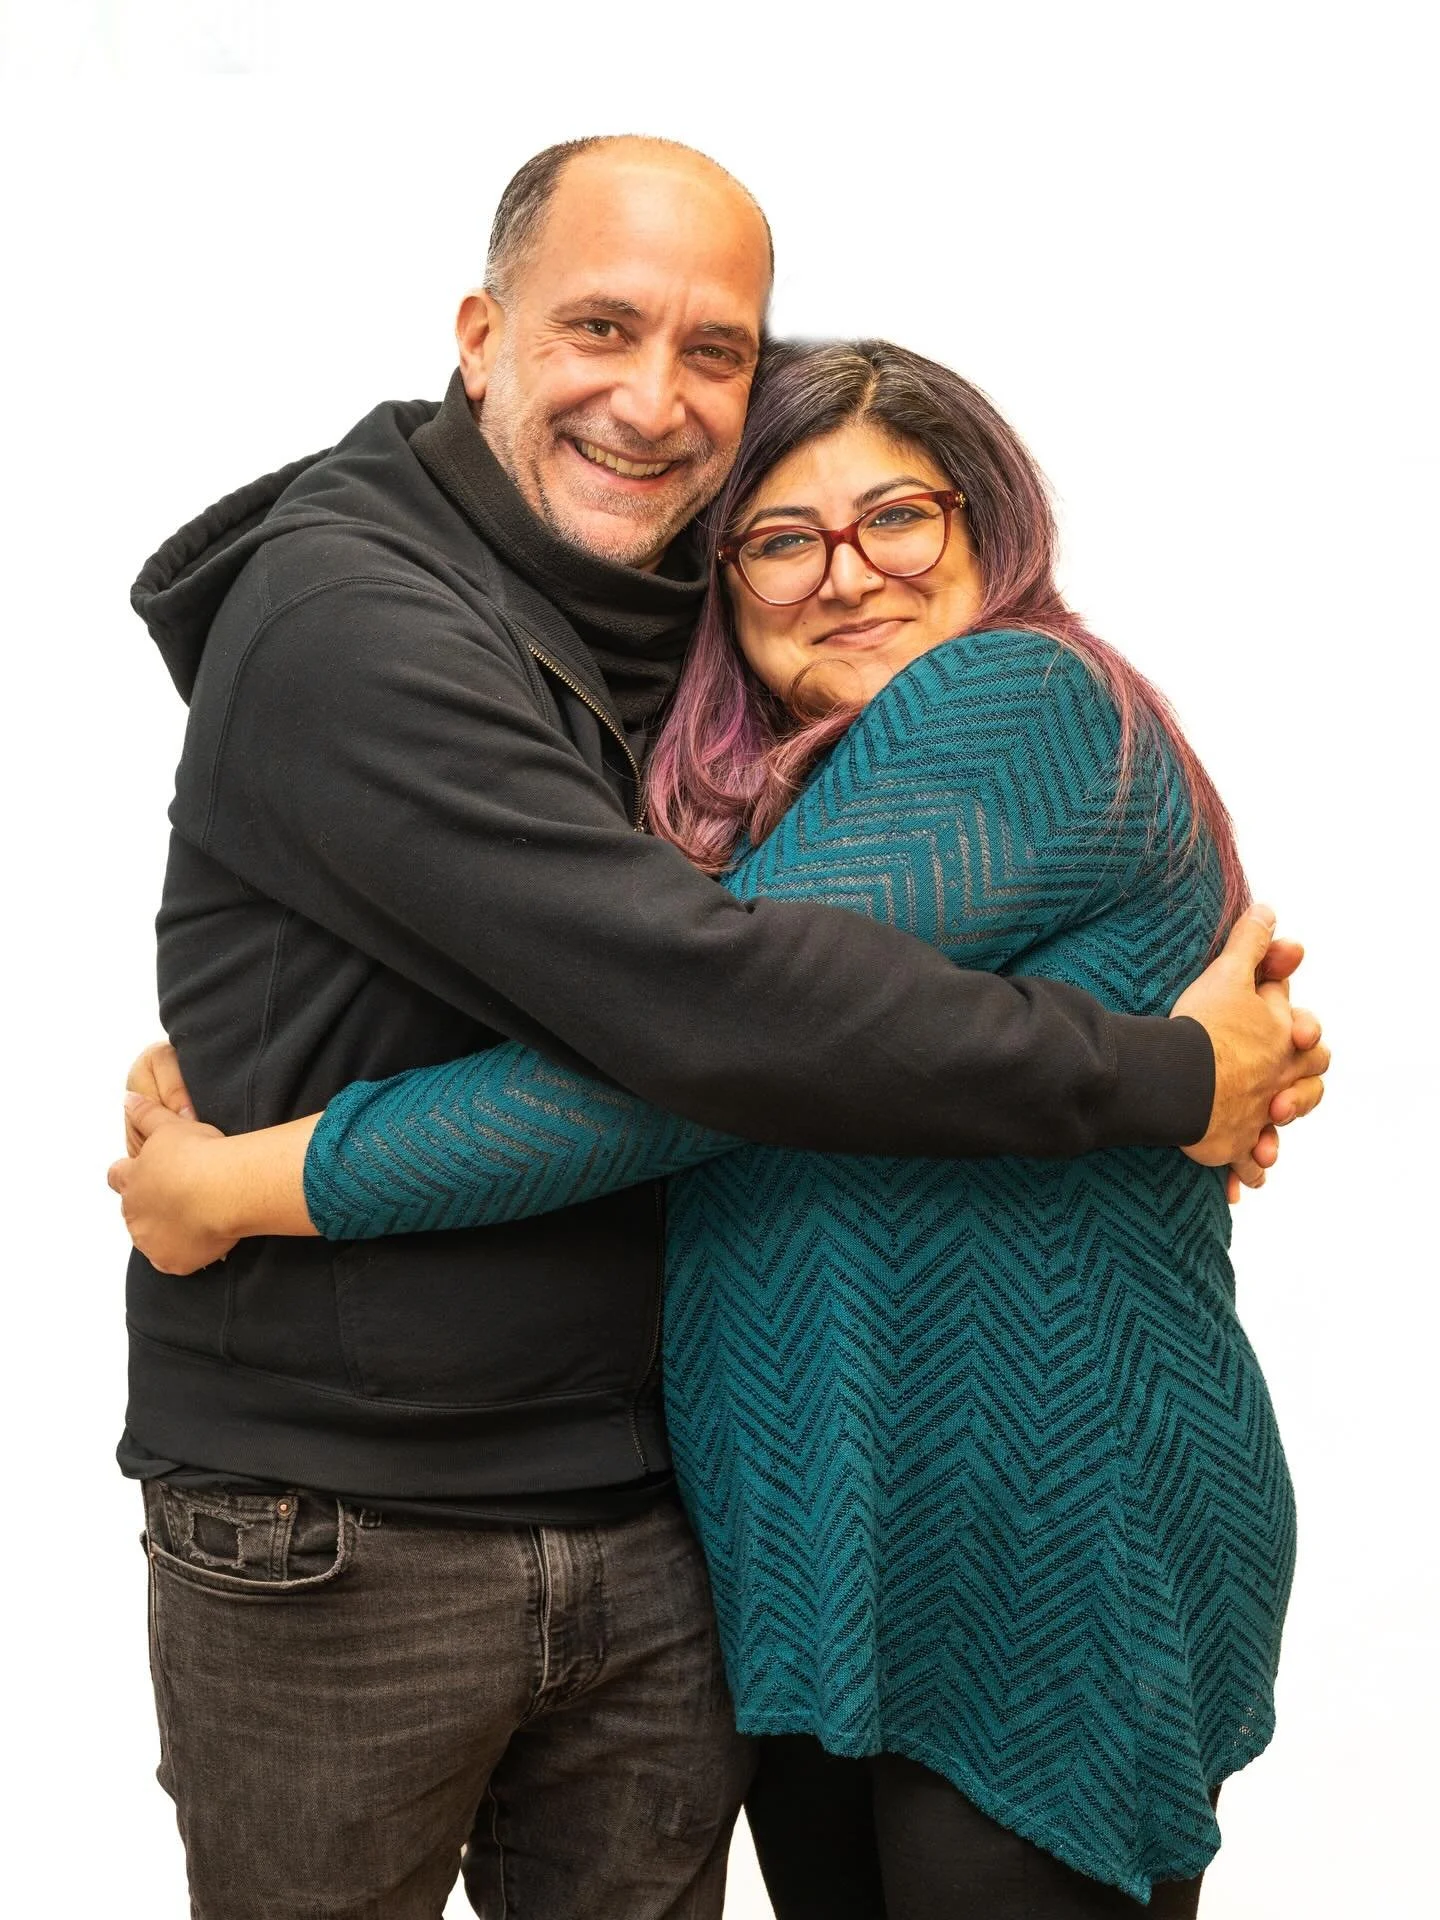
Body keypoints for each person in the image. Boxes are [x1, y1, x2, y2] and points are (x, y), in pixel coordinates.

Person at [115, 131, 1325, 1920]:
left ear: (987, 525)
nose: (846, 572)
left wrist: (249, 1182)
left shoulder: (1011, 701)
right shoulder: (555, 698)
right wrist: (1167, 1077)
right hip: (801, 1553)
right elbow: (714, 1021)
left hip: (1032, 1550)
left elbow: (697, 1049)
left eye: (900, 515)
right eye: (780, 538)